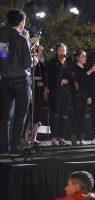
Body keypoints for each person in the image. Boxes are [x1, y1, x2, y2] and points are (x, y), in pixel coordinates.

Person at [0, 9, 32, 154]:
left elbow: (4, 57)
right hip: (20, 79)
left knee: (5, 116)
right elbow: (27, 63)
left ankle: (3, 148)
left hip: (6, 79)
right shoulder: (22, 38)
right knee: (20, 115)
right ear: (22, 22)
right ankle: (15, 147)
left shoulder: (3, 37)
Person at [45, 43, 76, 146]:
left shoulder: (70, 62)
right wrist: (61, 65)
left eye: (64, 50)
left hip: (67, 92)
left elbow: (73, 76)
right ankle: (54, 138)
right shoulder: (52, 62)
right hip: (56, 91)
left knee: (64, 115)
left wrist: (68, 80)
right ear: (56, 51)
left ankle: (62, 138)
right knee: (55, 115)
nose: (62, 52)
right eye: (60, 50)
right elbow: (50, 77)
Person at [71, 50, 92, 146]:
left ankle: (82, 138)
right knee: (77, 116)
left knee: (83, 116)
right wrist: (90, 71)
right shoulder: (74, 67)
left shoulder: (86, 67)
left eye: (85, 56)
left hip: (85, 94)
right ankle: (74, 138)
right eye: (83, 56)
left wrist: (89, 96)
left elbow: (88, 84)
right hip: (77, 94)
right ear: (77, 57)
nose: (85, 58)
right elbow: (79, 80)